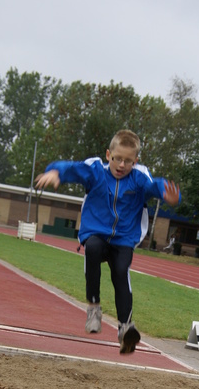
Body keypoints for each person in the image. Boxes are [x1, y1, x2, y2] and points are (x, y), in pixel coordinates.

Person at [35, 129, 181, 354]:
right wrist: (55, 172)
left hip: (123, 238)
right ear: (108, 154)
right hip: (96, 232)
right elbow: (73, 169)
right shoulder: (95, 171)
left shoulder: (140, 177)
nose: (122, 165)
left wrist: (169, 195)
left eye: (128, 161)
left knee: (121, 271)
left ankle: (126, 328)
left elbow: (156, 185)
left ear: (136, 160)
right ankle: (94, 308)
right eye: (117, 159)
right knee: (92, 248)